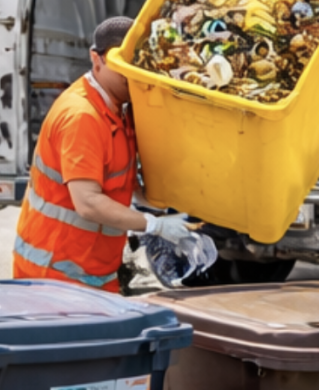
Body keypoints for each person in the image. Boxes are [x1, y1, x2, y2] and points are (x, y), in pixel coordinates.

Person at [12, 16, 195, 292]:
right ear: (96, 60)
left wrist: (174, 208)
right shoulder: (82, 117)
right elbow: (88, 203)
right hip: (53, 275)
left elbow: (124, 182)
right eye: (122, 66)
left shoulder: (121, 110)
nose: (131, 76)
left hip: (96, 272)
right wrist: (154, 225)